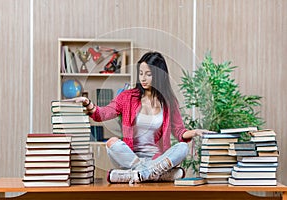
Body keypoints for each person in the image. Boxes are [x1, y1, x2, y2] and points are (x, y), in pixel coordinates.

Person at [72, 51, 209, 184]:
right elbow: (103, 113)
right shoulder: (127, 97)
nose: (143, 78)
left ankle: (136, 174)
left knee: (183, 148)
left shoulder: (169, 102)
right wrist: (89, 104)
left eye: (148, 74)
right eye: (141, 73)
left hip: (158, 159)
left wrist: (195, 132)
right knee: (112, 143)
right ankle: (151, 173)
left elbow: (179, 131)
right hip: (131, 157)